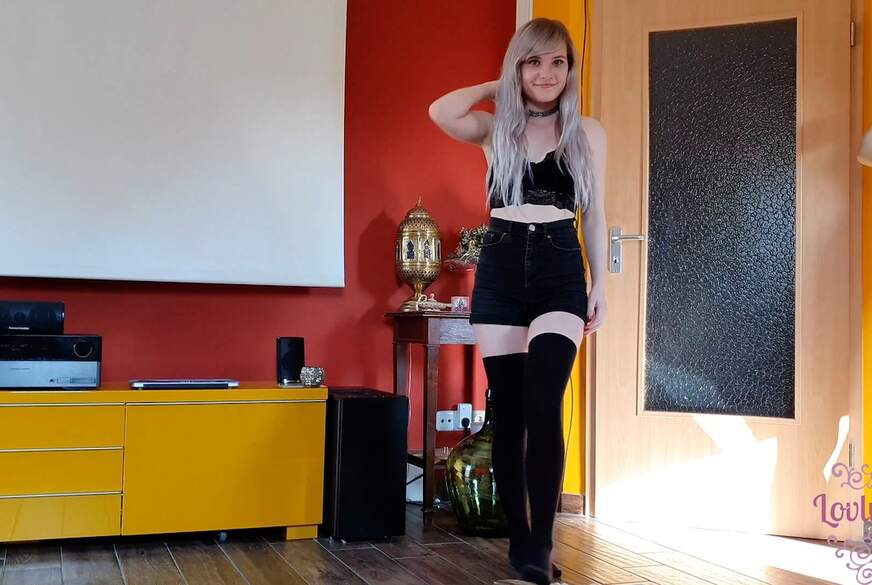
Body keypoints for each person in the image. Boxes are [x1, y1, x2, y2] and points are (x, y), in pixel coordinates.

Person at [428, 17, 607, 585]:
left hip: (559, 268)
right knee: (506, 412)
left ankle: (540, 545)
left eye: (557, 62)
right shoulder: (494, 130)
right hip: (502, 267)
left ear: (570, 69)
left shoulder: (587, 133)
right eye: (533, 62)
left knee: (543, 401)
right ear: (518, 69)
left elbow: (595, 215)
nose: (546, 73)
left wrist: (601, 284)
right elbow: (440, 111)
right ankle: (522, 546)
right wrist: (497, 86)